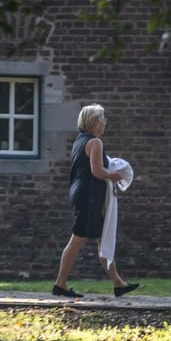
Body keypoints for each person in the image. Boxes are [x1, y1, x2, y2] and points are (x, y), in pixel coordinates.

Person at [52, 104, 139, 298]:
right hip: (89, 197)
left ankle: (118, 283)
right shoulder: (95, 143)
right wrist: (114, 175)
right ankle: (60, 284)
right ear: (94, 121)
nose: (105, 121)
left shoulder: (79, 141)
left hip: (81, 193)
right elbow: (97, 170)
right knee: (77, 240)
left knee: (102, 238)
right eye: (102, 118)